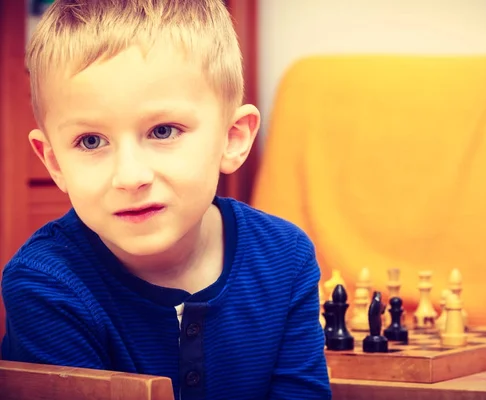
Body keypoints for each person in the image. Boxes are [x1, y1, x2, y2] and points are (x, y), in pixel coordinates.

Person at [0, 1, 331, 399]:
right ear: (54, 162)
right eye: (90, 141)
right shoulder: (45, 284)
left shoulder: (286, 258)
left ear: (232, 138)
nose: (130, 177)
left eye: (162, 131)